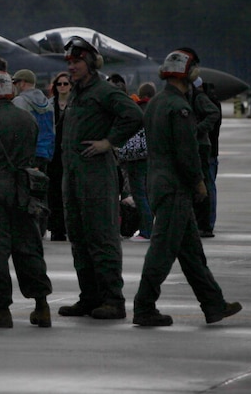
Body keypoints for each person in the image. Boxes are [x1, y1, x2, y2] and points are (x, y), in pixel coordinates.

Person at [132, 48, 242, 327]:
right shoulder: (179, 108)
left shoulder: (156, 102)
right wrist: (198, 182)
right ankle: (144, 306)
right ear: (190, 74)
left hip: (158, 182)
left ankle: (213, 304)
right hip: (175, 188)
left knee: (192, 253)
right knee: (162, 250)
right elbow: (187, 151)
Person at [57, 36, 142, 321]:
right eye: (69, 62)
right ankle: (89, 297)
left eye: (77, 61)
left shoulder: (103, 91)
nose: (72, 67)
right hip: (73, 177)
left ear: (91, 63)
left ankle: (112, 300)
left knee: (102, 238)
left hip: (96, 177)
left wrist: (110, 142)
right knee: (79, 239)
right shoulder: (78, 93)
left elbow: (133, 115)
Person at [0, 66, 52, 329]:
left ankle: (0, 309)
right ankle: (41, 305)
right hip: (24, 191)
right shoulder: (28, 119)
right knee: (28, 247)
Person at [116, 83, 155, 240]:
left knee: (139, 194)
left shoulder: (135, 109)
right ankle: (148, 228)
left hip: (134, 158)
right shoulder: (153, 110)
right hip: (149, 157)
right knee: (146, 193)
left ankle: (146, 230)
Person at [190, 77, 222, 237]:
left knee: (206, 186)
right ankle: (205, 222)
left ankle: (206, 223)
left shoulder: (201, 99)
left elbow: (213, 116)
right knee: (207, 185)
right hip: (209, 149)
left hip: (206, 150)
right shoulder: (209, 99)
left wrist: (197, 130)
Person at [11, 69, 55, 171]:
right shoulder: (48, 103)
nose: (13, 86)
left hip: (27, 155)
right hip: (45, 153)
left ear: (22, 83)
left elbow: (17, 129)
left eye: (15, 82)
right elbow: (52, 130)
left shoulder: (19, 101)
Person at [47, 71, 73, 241]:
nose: (62, 87)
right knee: (54, 191)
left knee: (70, 191)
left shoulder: (76, 104)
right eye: (59, 84)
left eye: (65, 84)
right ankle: (57, 228)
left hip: (70, 151)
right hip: (53, 153)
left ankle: (69, 226)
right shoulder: (49, 105)